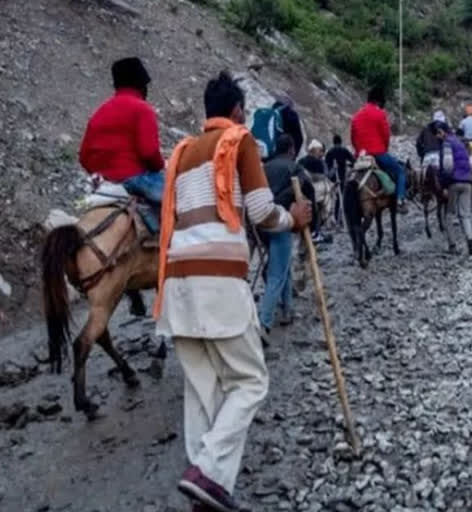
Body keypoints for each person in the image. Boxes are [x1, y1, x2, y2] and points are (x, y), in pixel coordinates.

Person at [154, 71, 311, 512]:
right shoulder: (239, 141)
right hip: (218, 280)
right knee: (250, 380)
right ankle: (209, 474)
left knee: (201, 389)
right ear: (239, 111)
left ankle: (202, 489)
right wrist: (293, 217)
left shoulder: (182, 153)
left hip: (177, 282)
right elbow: (261, 211)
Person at [80, 57, 165, 205]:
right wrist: (160, 165)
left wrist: (104, 171)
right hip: (134, 180)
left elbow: (84, 157)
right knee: (177, 202)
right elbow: (149, 152)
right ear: (142, 85)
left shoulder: (99, 112)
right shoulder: (142, 109)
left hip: (102, 185)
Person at [260, 134, 309, 333]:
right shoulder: (293, 166)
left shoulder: (264, 167)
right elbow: (304, 183)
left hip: (262, 223)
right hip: (282, 222)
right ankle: (264, 323)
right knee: (276, 275)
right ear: (290, 150)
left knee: (283, 266)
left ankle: (288, 309)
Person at [350, 85, 407, 213]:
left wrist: (358, 151)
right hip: (378, 153)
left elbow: (353, 138)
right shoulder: (380, 113)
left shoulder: (356, 116)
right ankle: (400, 201)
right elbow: (386, 135)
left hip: (361, 156)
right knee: (400, 172)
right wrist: (384, 150)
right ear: (379, 101)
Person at [433, 122, 472, 256]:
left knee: (449, 215)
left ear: (442, 132)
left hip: (454, 182)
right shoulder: (459, 143)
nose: (436, 136)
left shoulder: (447, 143)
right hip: (467, 182)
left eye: (437, 133)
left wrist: (444, 185)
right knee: (465, 214)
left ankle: (452, 245)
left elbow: (447, 166)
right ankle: (470, 240)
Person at [325, 134, 355, 224]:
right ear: (340, 142)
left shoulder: (329, 152)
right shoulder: (344, 150)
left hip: (332, 179)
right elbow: (353, 161)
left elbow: (326, 167)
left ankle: (335, 217)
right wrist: (348, 165)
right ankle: (342, 218)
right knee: (342, 197)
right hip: (342, 177)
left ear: (333, 142)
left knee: (335, 198)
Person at [416, 111, 447, 175]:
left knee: (423, 179)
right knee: (437, 176)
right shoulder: (441, 130)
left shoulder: (425, 129)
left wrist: (421, 154)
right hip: (437, 155)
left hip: (427, 155)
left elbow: (418, 143)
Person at [273, 96, 303, 160]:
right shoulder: (291, 115)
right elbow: (299, 138)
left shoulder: (270, 113)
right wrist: (294, 156)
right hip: (283, 154)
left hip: (266, 151)